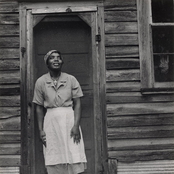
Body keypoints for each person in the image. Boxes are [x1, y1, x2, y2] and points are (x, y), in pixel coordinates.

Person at [32, 50, 87, 174]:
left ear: (62, 62)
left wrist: (76, 126)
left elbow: (77, 103)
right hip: (51, 121)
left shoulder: (71, 79)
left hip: (69, 120)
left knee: (73, 151)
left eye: (58, 58)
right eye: (52, 58)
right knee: (55, 153)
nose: (56, 60)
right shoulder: (41, 82)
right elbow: (39, 107)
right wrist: (41, 130)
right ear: (47, 63)